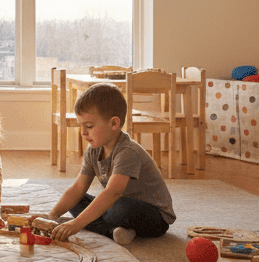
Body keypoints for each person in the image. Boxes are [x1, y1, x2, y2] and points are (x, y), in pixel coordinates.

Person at [45, 82, 176, 246]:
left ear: (114, 124)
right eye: (81, 126)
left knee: (116, 209)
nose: (83, 132)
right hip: (117, 205)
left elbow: (112, 193)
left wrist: (77, 224)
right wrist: (52, 216)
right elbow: (78, 187)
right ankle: (114, 231)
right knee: (77, 200)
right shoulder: (93, 150)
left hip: (154, 217)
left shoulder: (128, 151)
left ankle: (108, 225)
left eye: (89, 126)